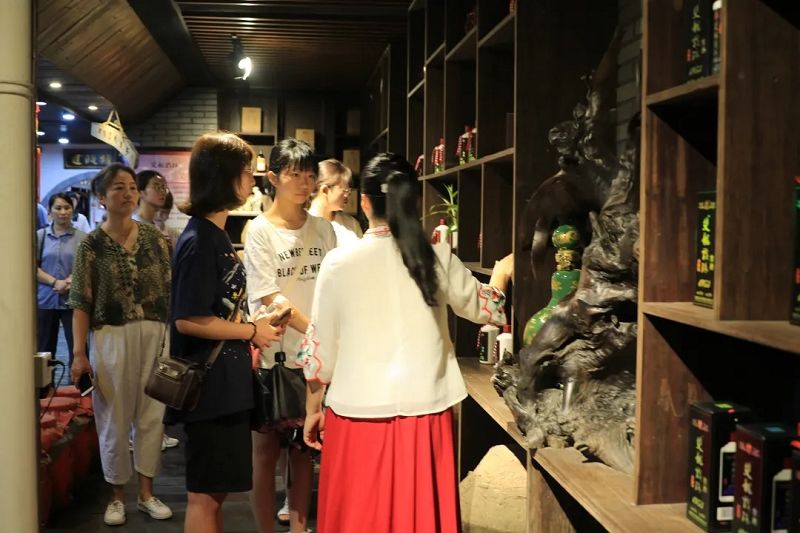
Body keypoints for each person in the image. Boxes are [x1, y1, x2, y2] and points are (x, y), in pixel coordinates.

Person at [300, 153, 514, 532]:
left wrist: (313, 407)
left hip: (356, 415)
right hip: (424, 413)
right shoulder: (434, 257)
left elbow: (321, 353)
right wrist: (501, 274)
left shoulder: (338, 263)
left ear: (364, 203)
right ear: (414, 200)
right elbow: (488, 309)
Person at [166, 132, 285, 533]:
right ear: (225, 176)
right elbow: (187, 319)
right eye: (247, 171)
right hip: (209, 389)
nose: (254, 179)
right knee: (204, 496)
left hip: (225, 386)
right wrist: (250, 331)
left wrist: (255, 327)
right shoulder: (199, 241)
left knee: (214, 494)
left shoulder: (213, 235)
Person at [69, 163, 174, 526]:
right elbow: (80, 302)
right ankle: (116, 496)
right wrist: (79, 354)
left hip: (154, 333)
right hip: (110, 335)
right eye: (118, 187)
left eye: (131, 187)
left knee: (152, 415)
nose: (128, 193)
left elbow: (168, 290)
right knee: (113, 416)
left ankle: (146, 493)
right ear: (101, 197)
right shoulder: (90, 245)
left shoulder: (155, 239)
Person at [244, 138, 336, 533]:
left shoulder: (324, 230)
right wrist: (318, 331)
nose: (304, 183)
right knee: (265, 451)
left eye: (310, 175)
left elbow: (335, 289)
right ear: (273, 178)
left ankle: (299, 528)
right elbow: (270, 296)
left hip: (314, 359)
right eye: (294, 174)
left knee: (304, 450)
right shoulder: (259, 230)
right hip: (274, 357)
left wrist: (324, 339)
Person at [36, 192, 86, 367]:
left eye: (67, 207)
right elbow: (32, 268)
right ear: (50, 211)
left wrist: (70, 281)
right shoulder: (40, 236)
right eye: (58, 208)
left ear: (72, 210)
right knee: (44, 351)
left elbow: (86, 267)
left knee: (78, 349)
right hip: (45, 300)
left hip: (73, 301)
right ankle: (45, 383)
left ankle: (78, 382)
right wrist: (55, 282)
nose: (63, 212)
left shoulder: (82, 238)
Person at [308, 158, 362, 247]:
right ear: (325, 190)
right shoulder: (303, 224)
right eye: (344, 190)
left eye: (349, 191)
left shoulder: (351, 224)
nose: (348, 195)